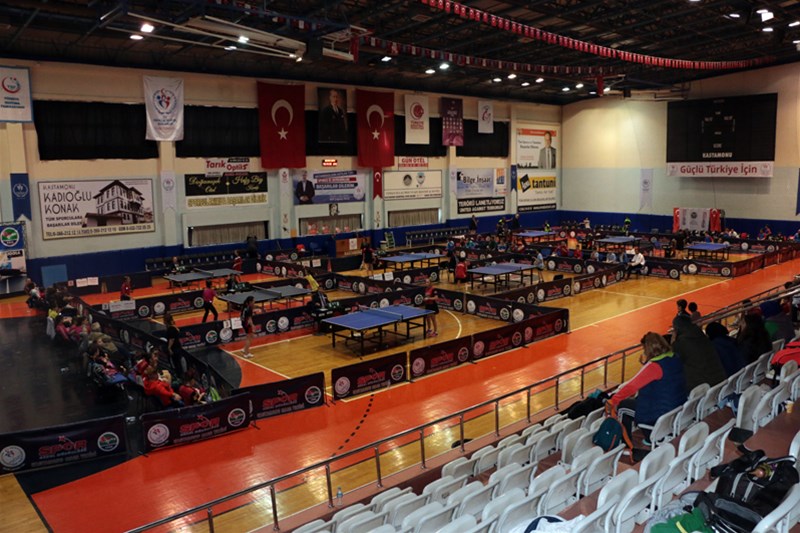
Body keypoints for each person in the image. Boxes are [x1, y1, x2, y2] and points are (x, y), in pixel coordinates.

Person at [608, 332, 687, 441]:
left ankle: (626, 443)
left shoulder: (654, 366)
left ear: (647, 349)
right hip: (675, 408)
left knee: (622, 406)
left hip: (659, 412)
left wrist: (613, 400)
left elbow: (632, 386)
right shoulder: (675, 358)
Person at [671, 313, 726, 391]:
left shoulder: (681, 343)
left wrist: (673, 344)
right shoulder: (703, 337)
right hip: (719, 381)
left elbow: (674, 365)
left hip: (703, 387)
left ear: (676, 329)